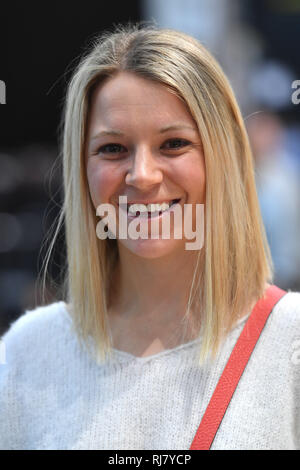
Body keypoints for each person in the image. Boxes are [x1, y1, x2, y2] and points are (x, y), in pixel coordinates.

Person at [0, 22, 299, 451]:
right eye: (113, 149)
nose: (142, 175)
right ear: (81, 168)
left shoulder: (290, 342)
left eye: (174, 144)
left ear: (225, 157)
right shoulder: (27, 355)